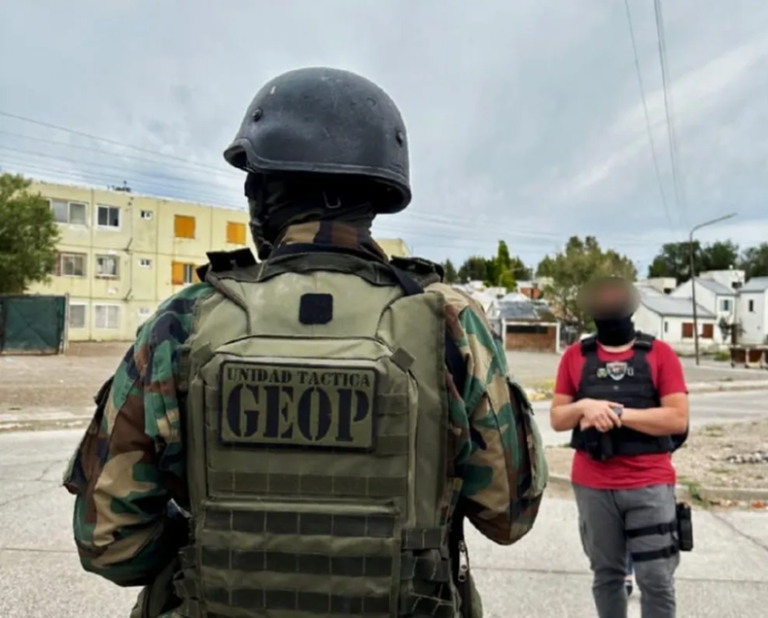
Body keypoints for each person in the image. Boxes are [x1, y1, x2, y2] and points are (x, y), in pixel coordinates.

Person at [61, 66, 547, 618]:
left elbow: (110, 541)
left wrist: (213, 545)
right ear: (377, 196)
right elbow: (509, 515)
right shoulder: (448, 322)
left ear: (263, 194)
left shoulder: (186, 320)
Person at [549, 276, 689, 618]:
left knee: (656, 579)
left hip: (649, 483)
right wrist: (585, 407)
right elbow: (557, 418)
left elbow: (677, 419)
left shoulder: (660, 354)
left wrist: (618, 414)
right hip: (593, 485)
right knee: (607, 575)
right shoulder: (574, 356)